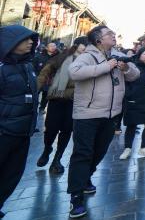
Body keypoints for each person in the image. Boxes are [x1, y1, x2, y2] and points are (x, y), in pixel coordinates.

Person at [67, 26, 140, 219]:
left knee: (99, 151)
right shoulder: (87, 56)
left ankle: (86, 178)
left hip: (111, 114)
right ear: (98, 39)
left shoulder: (119, 56)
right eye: (109, 34)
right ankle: (76, 197)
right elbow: (74, 72)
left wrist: (125, 68)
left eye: (114, 34)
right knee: (82, 154)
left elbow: (135, 75)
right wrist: (105, 67)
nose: (113, 36)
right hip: (87, 114)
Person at [0, 25, 39, 219]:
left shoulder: (28, 66)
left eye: (32, 38)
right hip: (4, 132)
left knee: (12, 175)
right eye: (26, 39)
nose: (31, 42)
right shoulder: (2, 68)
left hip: (23, 132)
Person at [36, 36, 89, 175]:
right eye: (85, 44)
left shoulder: (89, 61)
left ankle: (57, 159)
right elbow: (45, 72)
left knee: (66, 130)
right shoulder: (62, 57)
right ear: (77, 45)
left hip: (75, 100)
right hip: (57, 98)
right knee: (51, 129)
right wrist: (36, 89)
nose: (86, 47)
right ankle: (47, 149)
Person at [112, 48, 134, 135]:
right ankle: (115, 125)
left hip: (128, 91)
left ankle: (118, 125)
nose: (130, 55)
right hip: (119, 89)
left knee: (122, 109)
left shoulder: (132, 64)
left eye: (131, 54)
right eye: (128, 54)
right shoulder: (118, 62)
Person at [33, 41, 58, 113]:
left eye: (54, 46)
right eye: (51, 46)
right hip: (39, 78)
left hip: (50, 79)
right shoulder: (39, 56)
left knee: (46, 95)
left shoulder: (58, 57)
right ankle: (33, 107)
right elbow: (34, 67)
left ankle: (42, 108)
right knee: (36, 93)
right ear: (47, 48)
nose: (53, 47)